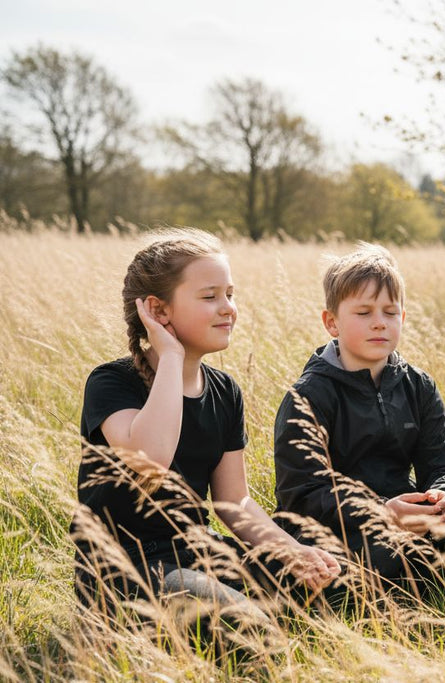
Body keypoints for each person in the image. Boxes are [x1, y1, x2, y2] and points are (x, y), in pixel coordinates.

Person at [72, 228, 340, 623]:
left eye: (229, 294)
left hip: (196, 552)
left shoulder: (226, 391)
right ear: (158, 311)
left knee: (328, 590)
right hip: (122, 566)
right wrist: (169, 356)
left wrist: (292, 551)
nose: (228, 307)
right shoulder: (112, 383)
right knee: (251, 629)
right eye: (210, 296)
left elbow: (234, 502)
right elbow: (150, 460)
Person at [273, 243, 445, 599]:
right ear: (331, 322)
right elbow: (299, 494)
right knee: (386, 554)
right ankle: (366, 595)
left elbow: (443, 460)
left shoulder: (417, 385)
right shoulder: (310, 395)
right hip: (332, 533)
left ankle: (400, 595)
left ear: (403, 319)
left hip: (405, 520)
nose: (379, 322)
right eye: (363, 312)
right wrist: (378, 511)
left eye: (390, 312)